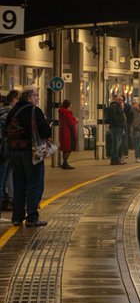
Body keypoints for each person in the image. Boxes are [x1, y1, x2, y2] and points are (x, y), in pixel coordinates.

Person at [7, 88, 51, 227]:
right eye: (36, 95)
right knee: (34, 183)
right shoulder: (34, 111)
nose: (38, 98)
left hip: (14, 151)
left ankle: (17, 217)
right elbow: (45, 130)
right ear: (29, 97)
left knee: (18, 184)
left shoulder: (13, 111)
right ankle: (32, 217)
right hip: (31, 152)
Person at [0, 90, 17, 216]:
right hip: (6, 149)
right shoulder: (10, 113)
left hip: (4, 149)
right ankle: (8, 200)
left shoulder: (2, 112)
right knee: (5, 175)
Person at [105, 92, 127, 165]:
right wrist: (119, 123)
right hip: (116, 128)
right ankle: (114, 160)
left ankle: (117, 159)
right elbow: (114, 117)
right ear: (117, 100)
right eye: (120, 100)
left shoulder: (118, 107)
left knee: (118, 144)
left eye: (122, 100)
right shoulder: (114, 107)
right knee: (115, 144)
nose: (121, 102)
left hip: (118, 127)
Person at [58, 99, 77, 169]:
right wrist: (75, 120)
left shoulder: (61, 112)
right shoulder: (67, 113)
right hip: (69, 132)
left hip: (63, 131)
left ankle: (64, 163)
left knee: (65, 148)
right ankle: (65, 163)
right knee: (69, 148)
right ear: (68, 105)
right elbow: (71, 123)